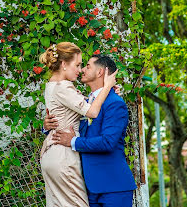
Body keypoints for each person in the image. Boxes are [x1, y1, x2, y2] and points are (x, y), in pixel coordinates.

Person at [44, 54, 137, 207]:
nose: (82, 70)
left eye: (87, 66)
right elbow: (69, 125)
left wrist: (74, 141)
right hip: (89, 187)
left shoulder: (115, 103)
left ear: (101, 72)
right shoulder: (86, 103)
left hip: (113, 187)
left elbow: (108, 142)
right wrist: (47, 126)